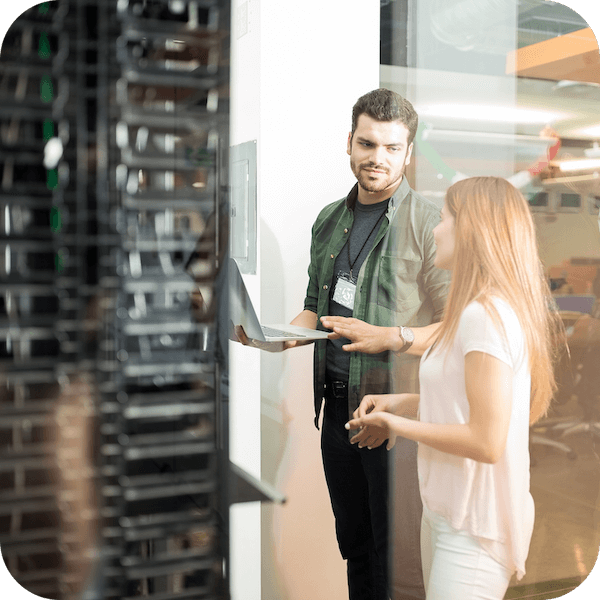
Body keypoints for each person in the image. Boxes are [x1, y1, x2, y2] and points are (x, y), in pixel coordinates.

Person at [235, 89, 450, 600]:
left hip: (395, 411)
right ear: (349, 142)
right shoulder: (329, 219)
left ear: (409, 153)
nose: (378, 157)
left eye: (392, 148)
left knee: (397, 557)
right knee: (355, 543)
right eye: (368, 143)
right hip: (336, 409)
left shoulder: (428, 223)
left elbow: (454, 325)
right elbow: (315, 306)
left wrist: (391, 336)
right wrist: (277, 338)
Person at [346, 176, 566, 600]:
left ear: (471, 230)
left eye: (445, 219)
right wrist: (405, 404)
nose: (435, 229)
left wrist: (397, 424)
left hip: (474, 528)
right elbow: (465, 404)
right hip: (447, 512)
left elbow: (486, 441)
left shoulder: (485, 317)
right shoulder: (475, 312)